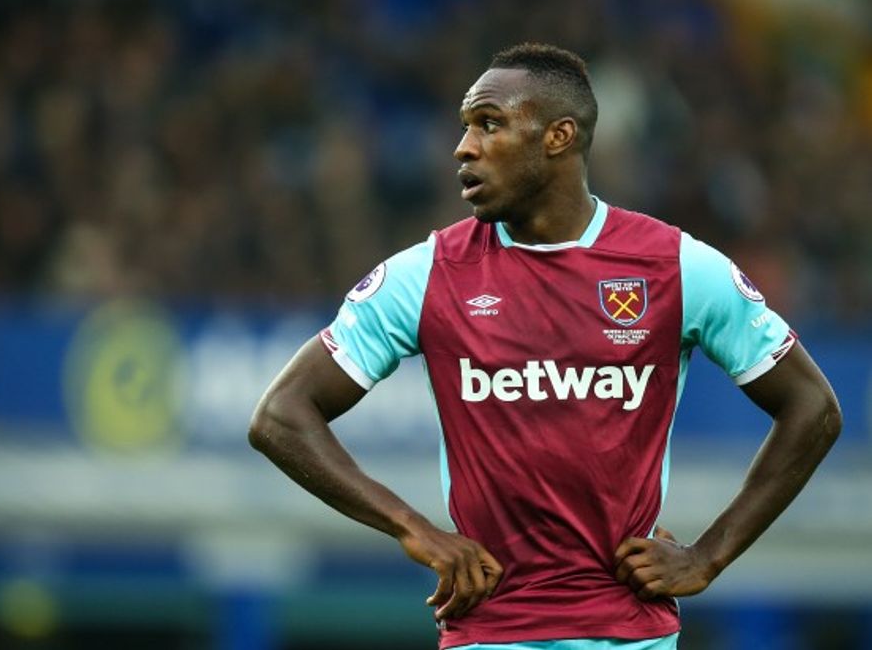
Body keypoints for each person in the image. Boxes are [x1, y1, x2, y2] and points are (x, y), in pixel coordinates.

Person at [248, 42, 842, 650]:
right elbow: (281, 416)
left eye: (489, 124)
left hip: (630, 633)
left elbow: (812, 407)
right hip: (490, 631)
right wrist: (413, 528)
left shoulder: (675, 266)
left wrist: (708, 556)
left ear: (558, 136)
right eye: (466, 126)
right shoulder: (427, 274)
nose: (464, 147)